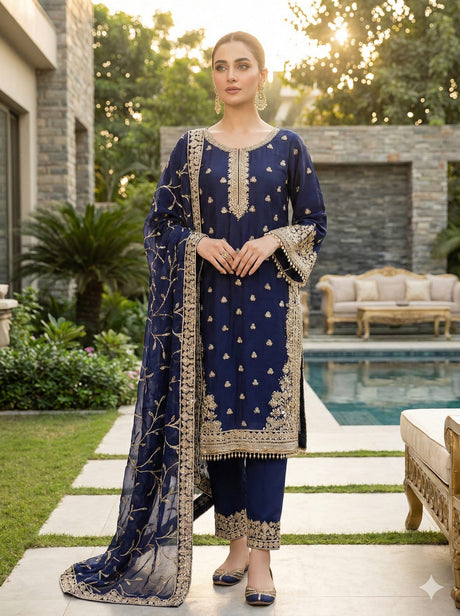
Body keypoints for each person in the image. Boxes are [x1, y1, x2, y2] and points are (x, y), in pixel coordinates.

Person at [60, 31, 326, 608]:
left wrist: (273, 240)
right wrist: (199, 243)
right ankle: (236, 548)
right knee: (219, 431)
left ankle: (262, 561)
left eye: (242, 65)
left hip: (270, 309)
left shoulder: (289, 146)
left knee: (265, 436)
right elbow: (160, 224)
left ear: (261, 75)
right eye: (220, 66)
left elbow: (313, 222)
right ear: (213, 76)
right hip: (207, 307)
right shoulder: (191, 148)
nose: (230, 75)